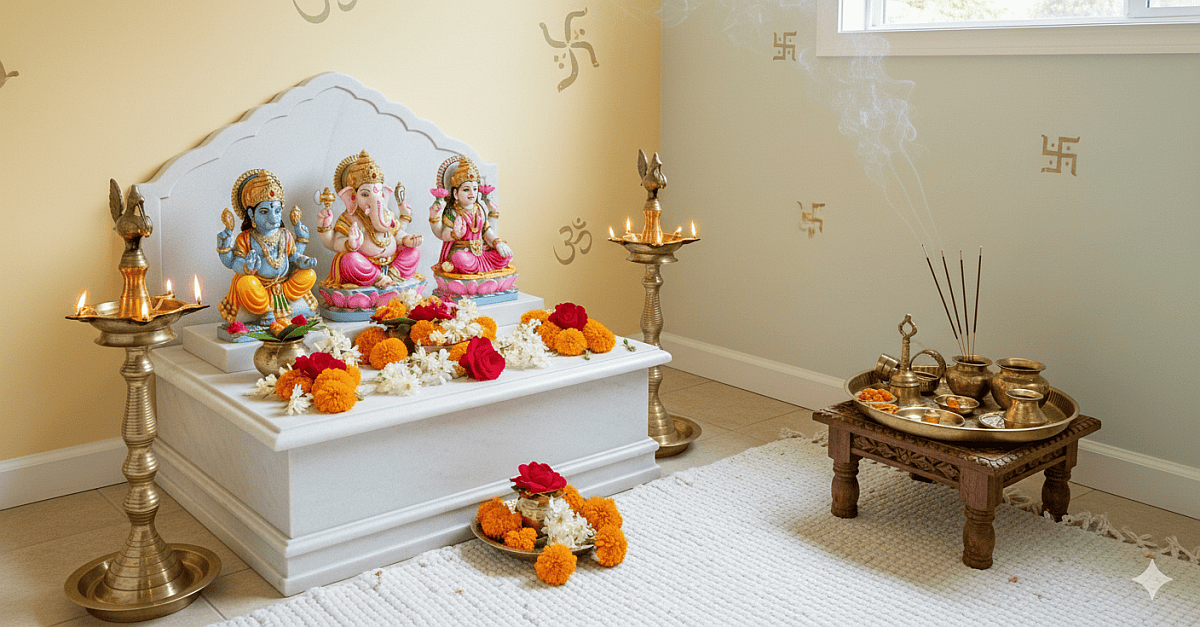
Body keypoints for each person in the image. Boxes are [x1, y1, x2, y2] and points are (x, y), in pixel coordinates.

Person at [216, 169, 318, 326]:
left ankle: (284, 303)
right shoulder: (246, 238)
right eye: (264, 212)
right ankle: (265, 310)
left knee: (309, 274)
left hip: (283, 286)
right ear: (251, 214)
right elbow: (232, 262)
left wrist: (303, 260)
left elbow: (293, 255)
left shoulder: (285, 234)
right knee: (245, 283)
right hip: (259, 288)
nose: (273, 218)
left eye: (277, 211)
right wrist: (244, 265)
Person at [317, 150, 422, 289]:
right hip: (365, 267)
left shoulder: (387, 214)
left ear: (384, 195)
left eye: (378, 193)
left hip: (392, 264)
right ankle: (378, 278)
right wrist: (349, 244)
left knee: (414, 252)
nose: (374, 199)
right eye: (365, 194)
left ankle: (393, 276)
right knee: (349, 260)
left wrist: (406, 239)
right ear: (352, 197)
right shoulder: (349, 218)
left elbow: (396, 233)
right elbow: (335, 242)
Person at [428, 156, 513, 275]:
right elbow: (444, 235)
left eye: (475, 189)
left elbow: (486, 231)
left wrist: (498, 243)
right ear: (455, 193)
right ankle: (475, 272)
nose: (472, 193)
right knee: (460, 259)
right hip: (463, 253)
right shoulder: (453, 212)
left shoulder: (479, 209)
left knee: (506, 256)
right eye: (466, 189)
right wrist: (455, 234)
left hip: (481, 252)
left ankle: (481, 271)